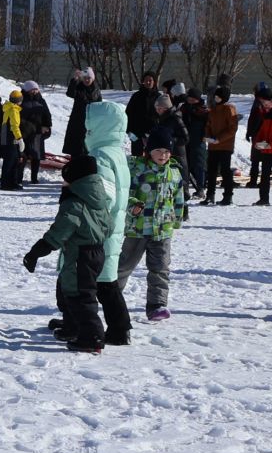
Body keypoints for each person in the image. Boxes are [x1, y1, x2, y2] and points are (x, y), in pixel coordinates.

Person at [24, 153, 114, 354]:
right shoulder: (97, 197)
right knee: (70, 290)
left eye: (66, 178)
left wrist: (38, 250)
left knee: (79, 295)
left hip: (81, 254)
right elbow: (109, 226)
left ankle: (92, 337)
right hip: (96, 251)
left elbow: (61, 230)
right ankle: (73, 327)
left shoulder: (75, 202)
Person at [119, 137, 189, 320]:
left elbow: (178, 197)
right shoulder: (138, 169)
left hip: (163, 229)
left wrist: (177, 218)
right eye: (158, 150)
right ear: (149, 151)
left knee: (160, 268)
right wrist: (133, 205)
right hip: (138, 228)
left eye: (166, 151)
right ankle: (109, 296)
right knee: (124, 266)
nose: (163, 155)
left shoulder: (174, 172)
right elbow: (127, 192)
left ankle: (157, 305)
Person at [83, 101, 134, 346]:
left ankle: (118, 327)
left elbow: (104, 194)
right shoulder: (116, 152)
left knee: (98, 282)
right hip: (113, 224)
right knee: (105, 279)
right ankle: (118, 327)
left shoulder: (100, 155)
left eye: (89, 127)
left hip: (99, 227)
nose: (86, 131)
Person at [203, 87, 239, 206]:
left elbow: (232, 128)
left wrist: (219, 139)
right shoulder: (212, 110)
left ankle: (228, 196)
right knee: (211, 171)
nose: (216, 98)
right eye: (215, 96)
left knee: (225, 171)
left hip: (225, 145)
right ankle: (210, 196)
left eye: (218, 96)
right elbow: (208, 125)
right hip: (213, 145)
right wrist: (208, 137)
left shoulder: (229, 109)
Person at [19, 81, 53, 184]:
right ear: (26, 90)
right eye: (32, 89)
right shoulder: (21, 100)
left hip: (37, 132)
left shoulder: (41, 100)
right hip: (24, 132)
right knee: (23, 156)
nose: (34, 91)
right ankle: (18, 177)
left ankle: (34, 178)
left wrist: (47, 126)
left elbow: (47, 114)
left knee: (36, 156)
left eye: (36, 89)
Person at [63, 66, 100, 158]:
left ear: (92, 78)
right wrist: (75, 79)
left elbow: (100, 106)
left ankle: (86, 167)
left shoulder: (96, 90)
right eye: (85, 78)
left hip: (91, 122)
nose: (87, 80)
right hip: (78, 121)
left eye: (89, 78)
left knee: (88, 147)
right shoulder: (78, 87)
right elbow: (70, 93)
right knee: (76, 147)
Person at [178, 88, 209, 198]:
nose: (190, 100)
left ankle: (200, 189)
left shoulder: (203, 110)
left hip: (198, 141)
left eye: (193, 98)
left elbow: (208, 125)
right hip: (185, 141)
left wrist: (205, 136)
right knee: (187, 166)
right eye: (189, 98)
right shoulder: (183, 108)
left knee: (199, 165)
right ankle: (187, 189)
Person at [245, 80, 272, 189]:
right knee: (266, 159)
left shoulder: (258, 102)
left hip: (258, 136)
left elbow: (254, 118)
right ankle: (264, 181)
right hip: (268, 136)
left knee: (256, 159)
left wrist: (250, 132)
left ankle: (253, 181)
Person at [125, 72, 160, 156]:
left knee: (153, 157)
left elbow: (163, 115)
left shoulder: (159, 97)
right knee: (137, 158)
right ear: (143, 82)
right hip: (136, 134)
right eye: (146, 80)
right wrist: (129, 131)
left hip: (153, 133)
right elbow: (128, 114)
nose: (148, 82)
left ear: (154, 82)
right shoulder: (136, 96)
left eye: (150, 80)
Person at [0, 88, 26, 190]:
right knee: (11, 162)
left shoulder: (7, 107)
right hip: (11, 137)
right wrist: (20, 138)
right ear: (19, 100)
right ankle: (7, 184)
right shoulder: (14, 110)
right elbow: (14, 126)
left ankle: (8, 183)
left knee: (9, 161)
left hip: (5, 137)